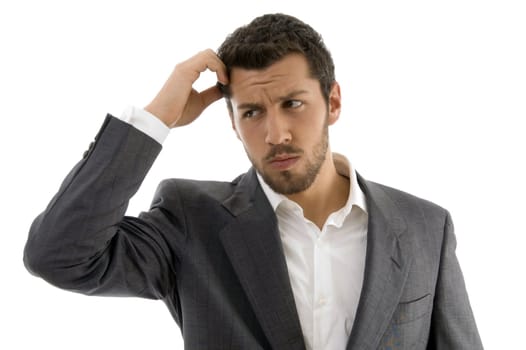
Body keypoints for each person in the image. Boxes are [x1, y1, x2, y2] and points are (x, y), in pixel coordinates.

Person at [23, 13, 483, 350]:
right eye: (252, 112)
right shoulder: (191, 219)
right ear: (232, 122)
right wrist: (155, 119)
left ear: (334, 102)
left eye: (293, 104)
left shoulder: (425, 227)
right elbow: (59, 256)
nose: (275, 134)